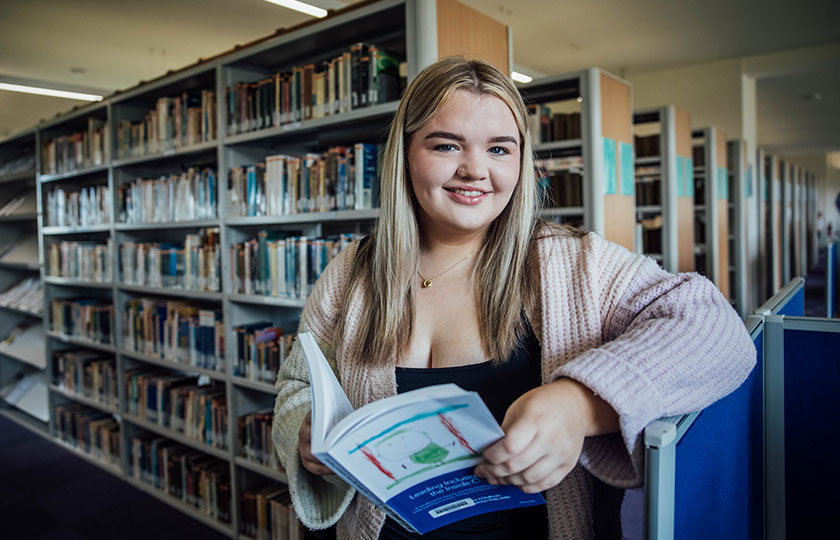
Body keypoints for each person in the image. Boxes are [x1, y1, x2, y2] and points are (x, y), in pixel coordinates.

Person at [272, 57, 756, 540]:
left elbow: (715, 327)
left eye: (500, 149)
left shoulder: (572, 264)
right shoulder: (351, 272)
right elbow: (298, 382)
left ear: (522, 161)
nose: (474, 170)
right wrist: (305, 433)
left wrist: (578, 405)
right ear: (405, 152)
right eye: (446, 145)